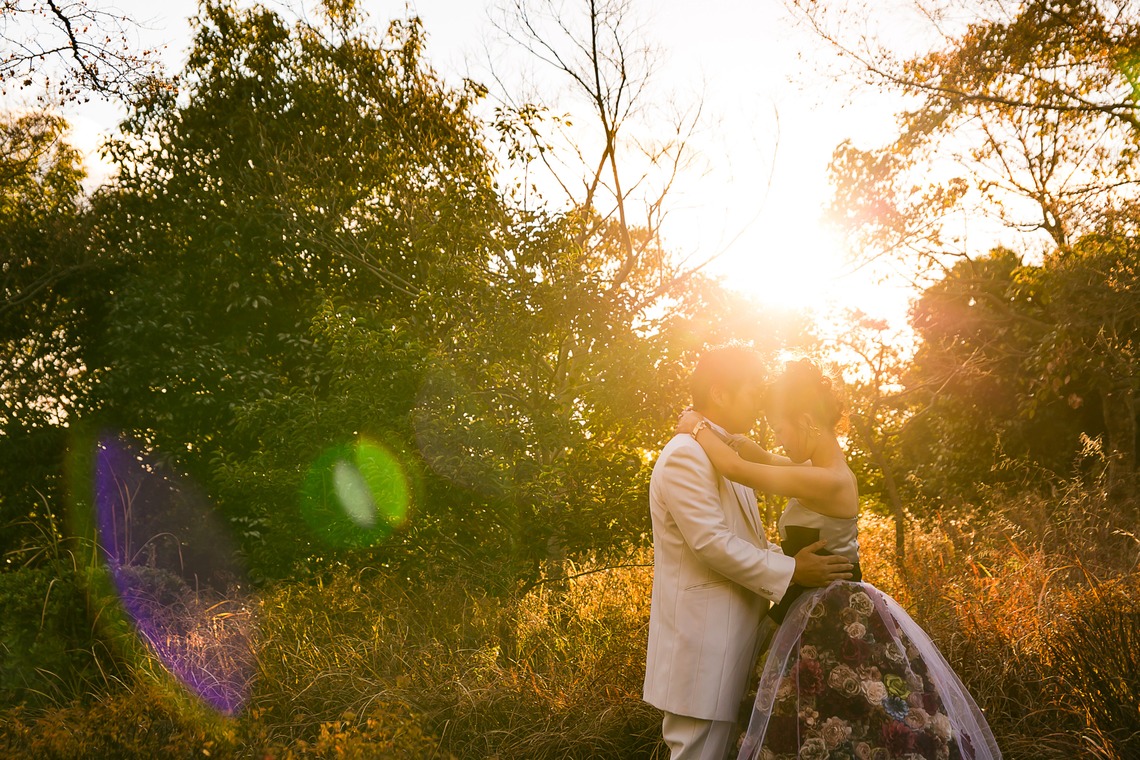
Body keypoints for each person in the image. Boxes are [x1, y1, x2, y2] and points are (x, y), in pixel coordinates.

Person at [676, 359, 1002, 760]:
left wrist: (697, 426)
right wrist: (737, 438)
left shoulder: (829, 480)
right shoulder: (819, 471)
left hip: (834, 616)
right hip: (810, 608)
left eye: (780, 429)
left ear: (806, 422)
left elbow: (737, 469)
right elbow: (763, 458)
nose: (779, 441)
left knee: (845, 724)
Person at [644, 345, 855, 760]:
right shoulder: (686, 455)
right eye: (753, 390)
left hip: (737, 643)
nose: (759, 402)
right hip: (704, 651)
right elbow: (711, 543)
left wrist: (790, 563)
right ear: (720, 393)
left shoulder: (721, 454)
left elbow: (749, 539)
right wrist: (792, 569)